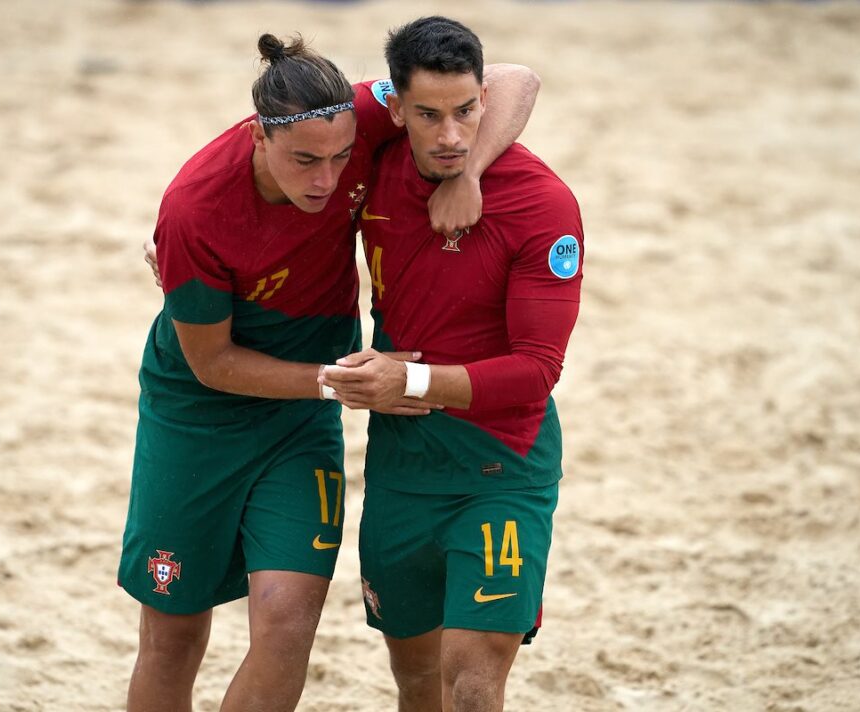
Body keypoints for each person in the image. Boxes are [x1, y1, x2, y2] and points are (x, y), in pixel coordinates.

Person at [122, 31, 539, 712]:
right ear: (258, 137)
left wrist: (468, 174)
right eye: (305, 161)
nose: (326, 179)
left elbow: (515, 78)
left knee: (287, 624)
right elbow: (213, 362)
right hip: (196, 413)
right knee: (173, 634)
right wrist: (336, 383)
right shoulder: (195, 209)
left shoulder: (360, 110)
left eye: (343, 158)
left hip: (300, 415)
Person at [319, 16, 584, 712]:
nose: (450, 135)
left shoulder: (541, 203)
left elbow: (535, 372)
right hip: (403, 466)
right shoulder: (367, 170)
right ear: (394, 108)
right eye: (428, 115)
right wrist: (179, 238)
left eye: (466, 111)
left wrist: (404, 379)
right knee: (416, 685)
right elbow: (276, 145)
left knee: (471, 687)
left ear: (484, 103)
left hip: (502, 469)